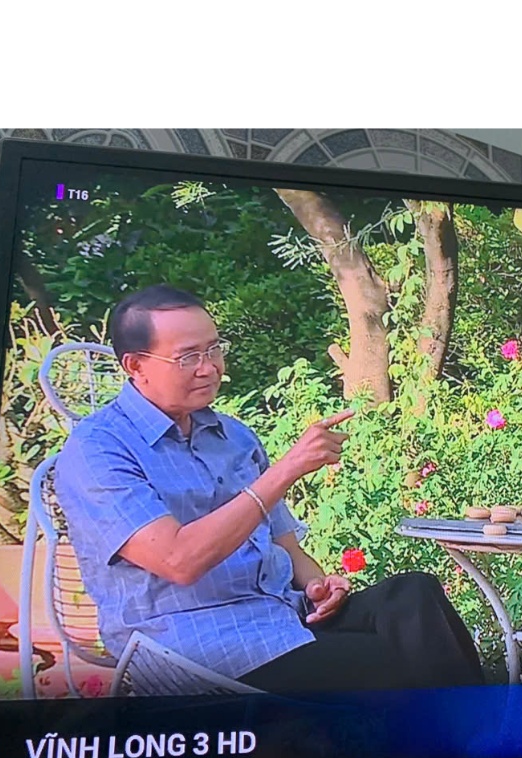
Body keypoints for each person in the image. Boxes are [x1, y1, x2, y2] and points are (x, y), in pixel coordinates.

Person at [54, 285, 484, 695]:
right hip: (191, 645)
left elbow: (285, 546)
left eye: (214, 349)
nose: (210, 367)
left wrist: (318, 585)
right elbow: (178, 561)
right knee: (393, 663)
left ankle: (481, 737)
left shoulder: (233, 436)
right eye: (188, 357)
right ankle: (473, 740)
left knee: (413, 597)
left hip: (282, 618)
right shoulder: (98, 449)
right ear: (136, 366)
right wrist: (286, 469)